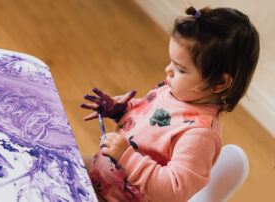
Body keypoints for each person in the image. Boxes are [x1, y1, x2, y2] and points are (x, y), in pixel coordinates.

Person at [80, 6, 260, 202]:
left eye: (181, 69)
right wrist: (121, 110)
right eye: (171, 62)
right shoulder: (174, 90)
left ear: (220, 83)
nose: (168, 70)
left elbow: (173, 190)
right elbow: (148, 119)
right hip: (102, 175)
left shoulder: (199, 135)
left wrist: (126, 156)